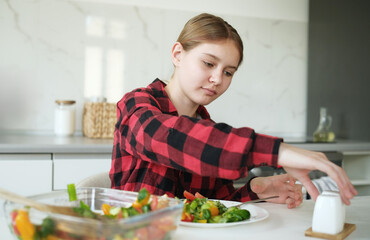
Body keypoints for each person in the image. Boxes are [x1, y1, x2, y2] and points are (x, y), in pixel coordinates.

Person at [110, 13, 357, 208]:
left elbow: (214, 203)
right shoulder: (136, 105)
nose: (217, 78)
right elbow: (168, 137)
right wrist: (277, 151)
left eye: (228, 72)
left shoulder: (209, 129)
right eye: (208, 63)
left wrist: (256, 190)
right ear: (178, 54)